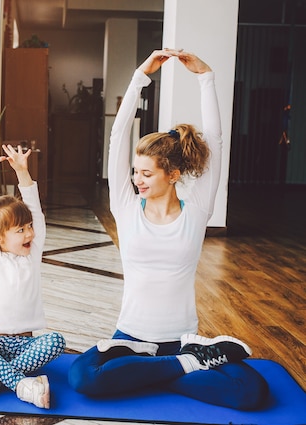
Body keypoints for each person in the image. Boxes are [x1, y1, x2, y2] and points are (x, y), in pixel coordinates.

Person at [67, 49, 269, 410]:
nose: (136, 180)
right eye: (135, 172)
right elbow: (117, 137)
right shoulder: (126, 209)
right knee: (82, 376)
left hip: (180, 338)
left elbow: (217, 143)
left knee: (250, 391)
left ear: (173, 175)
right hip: (129, 337)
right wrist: (140, 76)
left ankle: (156, 368)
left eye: (147, 174)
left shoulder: (197, 210)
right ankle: (188, 365)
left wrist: (206, 76)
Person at [0, 139, 66, 409]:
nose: (29, 233)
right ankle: (20, 384)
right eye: (20, 230)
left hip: (24, 345)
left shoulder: (32, 254)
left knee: (56, 341)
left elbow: (36, 212)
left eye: (29, 227)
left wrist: (22, 172)